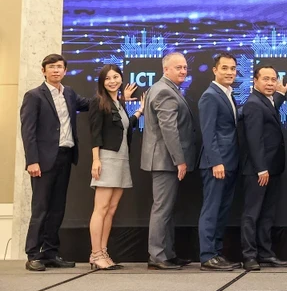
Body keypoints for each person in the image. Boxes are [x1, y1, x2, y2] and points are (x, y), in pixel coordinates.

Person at [20, 54, 90, 272]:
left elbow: (88, 104)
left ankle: (50, 252)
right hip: (42, 161)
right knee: (41, 208)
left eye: (59, 67)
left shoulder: (68, 93)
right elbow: (28, 132)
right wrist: (32, 161)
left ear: (65, 71)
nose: (56, 71)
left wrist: (115, 94)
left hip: (65, 156)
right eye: (51, 67)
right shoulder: (34, 96)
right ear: (43, 71)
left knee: (58, 208)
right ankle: (33, 254)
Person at [141, 51, 198, 270]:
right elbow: (169, 130)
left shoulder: (166, 88)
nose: (183, 70)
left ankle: (167, 253)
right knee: (162, 209)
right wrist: (179, 160)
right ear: (166, 69)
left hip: (165, 160)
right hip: (166, 161)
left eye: (184, 67)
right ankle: (157, 255)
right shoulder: (165, 91)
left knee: (166, 209)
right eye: (178, 67)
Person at [88, 64, 144, 270]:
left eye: (116, 77)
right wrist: (96, 159)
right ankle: (95, 254)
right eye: (108, 78)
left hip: (121, 160)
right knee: (101, 209)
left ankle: (103, 252)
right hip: (106, 158)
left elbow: (125, 126)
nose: (112, 81)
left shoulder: (118, 103)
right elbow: (95, 133)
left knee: (111, 210)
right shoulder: (98, 102)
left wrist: (138, 110)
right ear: (102, 82)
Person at [238, 64, 287, 271]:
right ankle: (249, 256)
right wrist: (261, 168)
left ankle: (266, 253)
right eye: (265, 79)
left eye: (273, 79)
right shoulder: (253, 103)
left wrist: (279, 94)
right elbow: (254, 139)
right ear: (255, 81)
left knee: (267, 214)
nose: (270, 83)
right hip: (258, 171)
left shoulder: (266, 101)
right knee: (252, 214)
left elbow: (270, 110)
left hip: (272, 168)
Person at [198, 52, 242, 271]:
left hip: (230, 162)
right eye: (225, 68)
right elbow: (208, 133)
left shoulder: (228, 94)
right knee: (212, 209)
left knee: (222, 210)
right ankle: (207, 255)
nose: (230, 72)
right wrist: (216, 162)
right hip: (216, 164)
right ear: (215, 70)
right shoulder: (210, 96)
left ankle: (216, 252)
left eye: (233, 68)